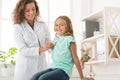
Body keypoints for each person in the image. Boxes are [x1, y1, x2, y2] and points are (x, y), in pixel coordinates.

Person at [31, 16, 94, 80]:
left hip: (64, 71)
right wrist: (49, 46)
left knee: (43, 78)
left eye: (61, 25)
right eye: (56, 25)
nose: (58, 27)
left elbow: (75, 58)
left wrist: (82, 77)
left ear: (67, 27)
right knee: (34, 77)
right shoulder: (55, 40)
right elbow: (52, 50)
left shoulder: (70, 40)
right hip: (54, 68)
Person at [12, 0, 51, 80]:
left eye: (33, 9)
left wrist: (52, 45)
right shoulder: (18, 27)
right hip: (25, 69)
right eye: (27, 10)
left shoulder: (42, 25)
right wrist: (41, 49)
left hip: (41, 67)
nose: (32, 12)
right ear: (22, 12)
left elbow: (48, 42)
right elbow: (23, 50)